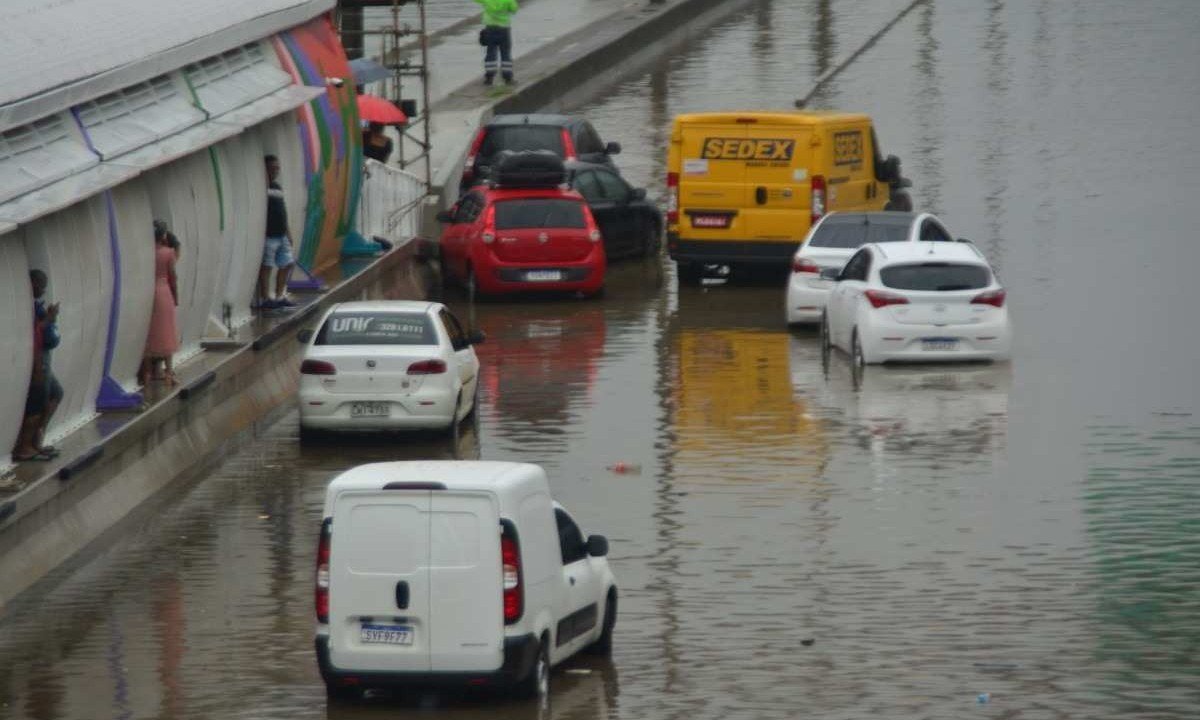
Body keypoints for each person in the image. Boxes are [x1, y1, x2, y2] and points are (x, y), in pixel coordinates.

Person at [13, 270, 62, 462]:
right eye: (40, 285)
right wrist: (48, 319)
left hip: (44, 359)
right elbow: (34, 333)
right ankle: (24, 447)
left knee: (56, 394)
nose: (43, 289)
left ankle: (38, 436)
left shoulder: (36, 307)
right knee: (36, 404)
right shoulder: (28, 309)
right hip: (37, 363)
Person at [141, 221, 180, 386]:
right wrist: (176, 297)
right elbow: (172, 277)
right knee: (167, 331)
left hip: (148, 293)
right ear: (163, 235)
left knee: (150, 332)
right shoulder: (168, 253)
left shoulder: (146, 253)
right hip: (164, 292)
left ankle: (147, 373)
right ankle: (169, 373)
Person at [258, 155, 297, 309]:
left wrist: (288, 233)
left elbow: (283, 211)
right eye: (272, 168)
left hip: (282, 235)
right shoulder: (263, 188)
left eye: (277, 168)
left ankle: (280, 295)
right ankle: (265, 298)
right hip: (269, 235)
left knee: (287, 263)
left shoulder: (277, 188)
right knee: (267, 266)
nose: (275, 171)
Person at [476, 0, 518, 86]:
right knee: (505, 53)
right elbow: (514, 10)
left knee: (490, 52)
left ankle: (489, 77)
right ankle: (508, 78)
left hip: (490, 28)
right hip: (504, 29)